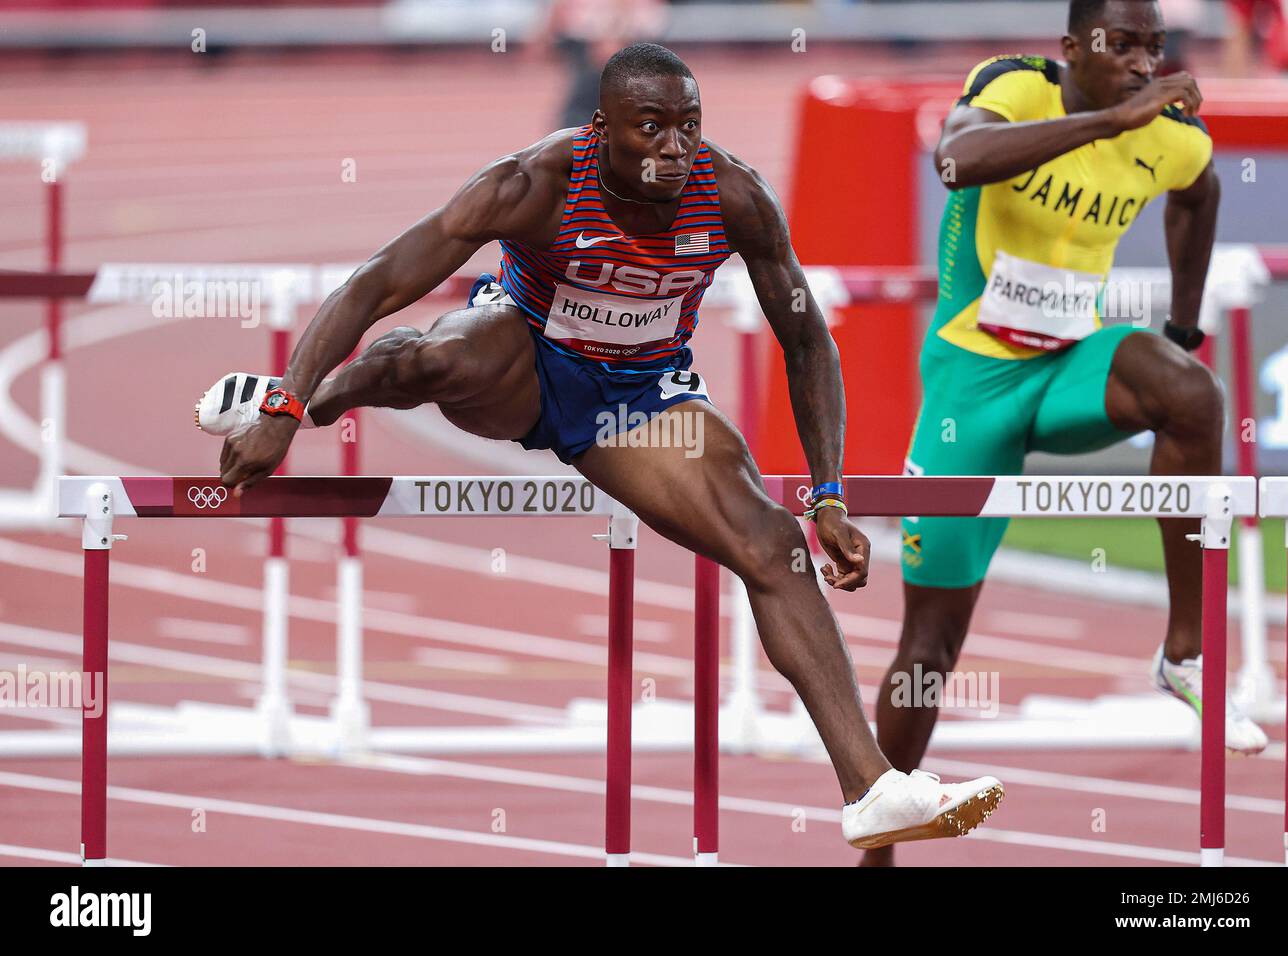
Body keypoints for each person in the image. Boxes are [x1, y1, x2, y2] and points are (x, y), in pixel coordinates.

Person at [196, 43, 1004, 853]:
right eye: (650, 128)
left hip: (642, 400)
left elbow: (806, 339)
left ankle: (871, 789)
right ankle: (288, 407)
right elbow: (377, 279)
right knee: (430, 358)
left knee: (769, 542)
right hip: (528, 360)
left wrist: (828, 495)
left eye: (688, 126)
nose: (672, 147)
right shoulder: (535, 183)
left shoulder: (734, 197)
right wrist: (289, 397)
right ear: (602, 129)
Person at [860, 0, 1268, 867]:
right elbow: (956, 158)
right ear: (1072, 47)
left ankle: (1185, 652)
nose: (1139, 62)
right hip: (970, 383)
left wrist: (1183, 325)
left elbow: (1200, 192)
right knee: (930, 642)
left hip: (1067, 369)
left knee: (1191, 394)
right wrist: (1106, 122)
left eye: (1151, 48)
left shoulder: (1167, 134)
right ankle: (880, 849)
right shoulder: (1013, 87)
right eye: (1120, 44)